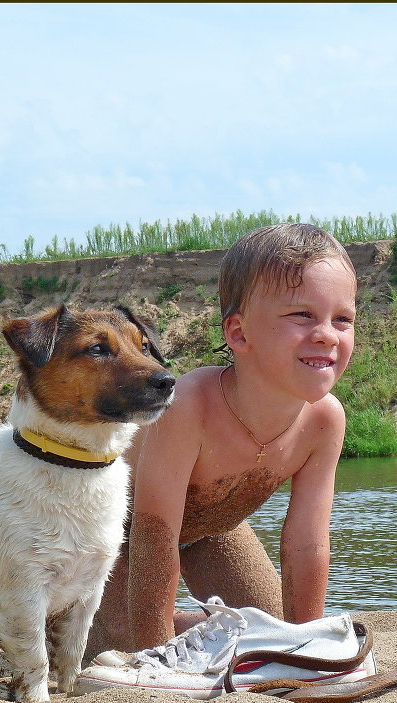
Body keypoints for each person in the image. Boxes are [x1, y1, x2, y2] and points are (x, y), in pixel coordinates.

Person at [86, 222, 357, 658]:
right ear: (239, 333)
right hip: (114, 537)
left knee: (268, 635)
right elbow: (155, 533)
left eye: (342, 318)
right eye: (302, 315)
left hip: (212, 531)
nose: (327, 333)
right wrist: (158, 657)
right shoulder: (191, 404)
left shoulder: (325, 420)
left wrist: (306, 647)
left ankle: (196, 633)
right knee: (123, 646)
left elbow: (307, 541)